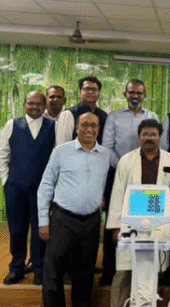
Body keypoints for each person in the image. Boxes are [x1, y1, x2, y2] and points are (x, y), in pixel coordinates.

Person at [37, 112, 111, 307]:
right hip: (63, 219)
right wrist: (43, 221)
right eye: (84, 124)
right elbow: (46, 186)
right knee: (54, 271)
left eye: (93, 125)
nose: (89, 129)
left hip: (91, 222)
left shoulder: (105, 155)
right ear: (77, 128)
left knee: (85, 272)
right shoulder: (61, 151)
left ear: (98, 129)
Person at [106, 119, 170, 307]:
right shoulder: (126, 160)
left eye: (153, 134)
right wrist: (116, 226)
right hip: (130, 225)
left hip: (159, 225)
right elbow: (118, 193)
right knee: (124, 273)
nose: (149, 138)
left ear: (159, 137)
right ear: (139, 137)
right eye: (145, 134)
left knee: (152, 273)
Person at [100, 79, 159, 284]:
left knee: (145, 220)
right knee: (115, 219)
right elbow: (107, 146)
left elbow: (158, 144)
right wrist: (125, 166)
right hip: (119, 173)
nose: (135, 96)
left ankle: (143, 268)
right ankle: (109, 270)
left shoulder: (152, 117)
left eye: (139, 93)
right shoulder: (114, 117)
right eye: (131, 92)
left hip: (148, 176)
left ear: (144, 95)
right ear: (125, 94)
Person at [0, 90, 55, 285]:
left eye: (39, 104)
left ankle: (39, 268)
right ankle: (16, 267)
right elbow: (2, 154)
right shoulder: (12, 125)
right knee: (17, 229)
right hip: (15, 187)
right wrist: (6, 181)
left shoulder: (53, 126)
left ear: (45, 106)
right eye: (31, 103)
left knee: (40, 229)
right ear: (24, 104)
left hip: (41, 189)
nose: (35, 107)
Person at [68, 76, 107, 144]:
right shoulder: (69, 114)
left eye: (94, 89)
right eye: (87, 89)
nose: (91, 92)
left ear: (99, 93)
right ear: (80, 92)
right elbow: (62, 143)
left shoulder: (103, 115)